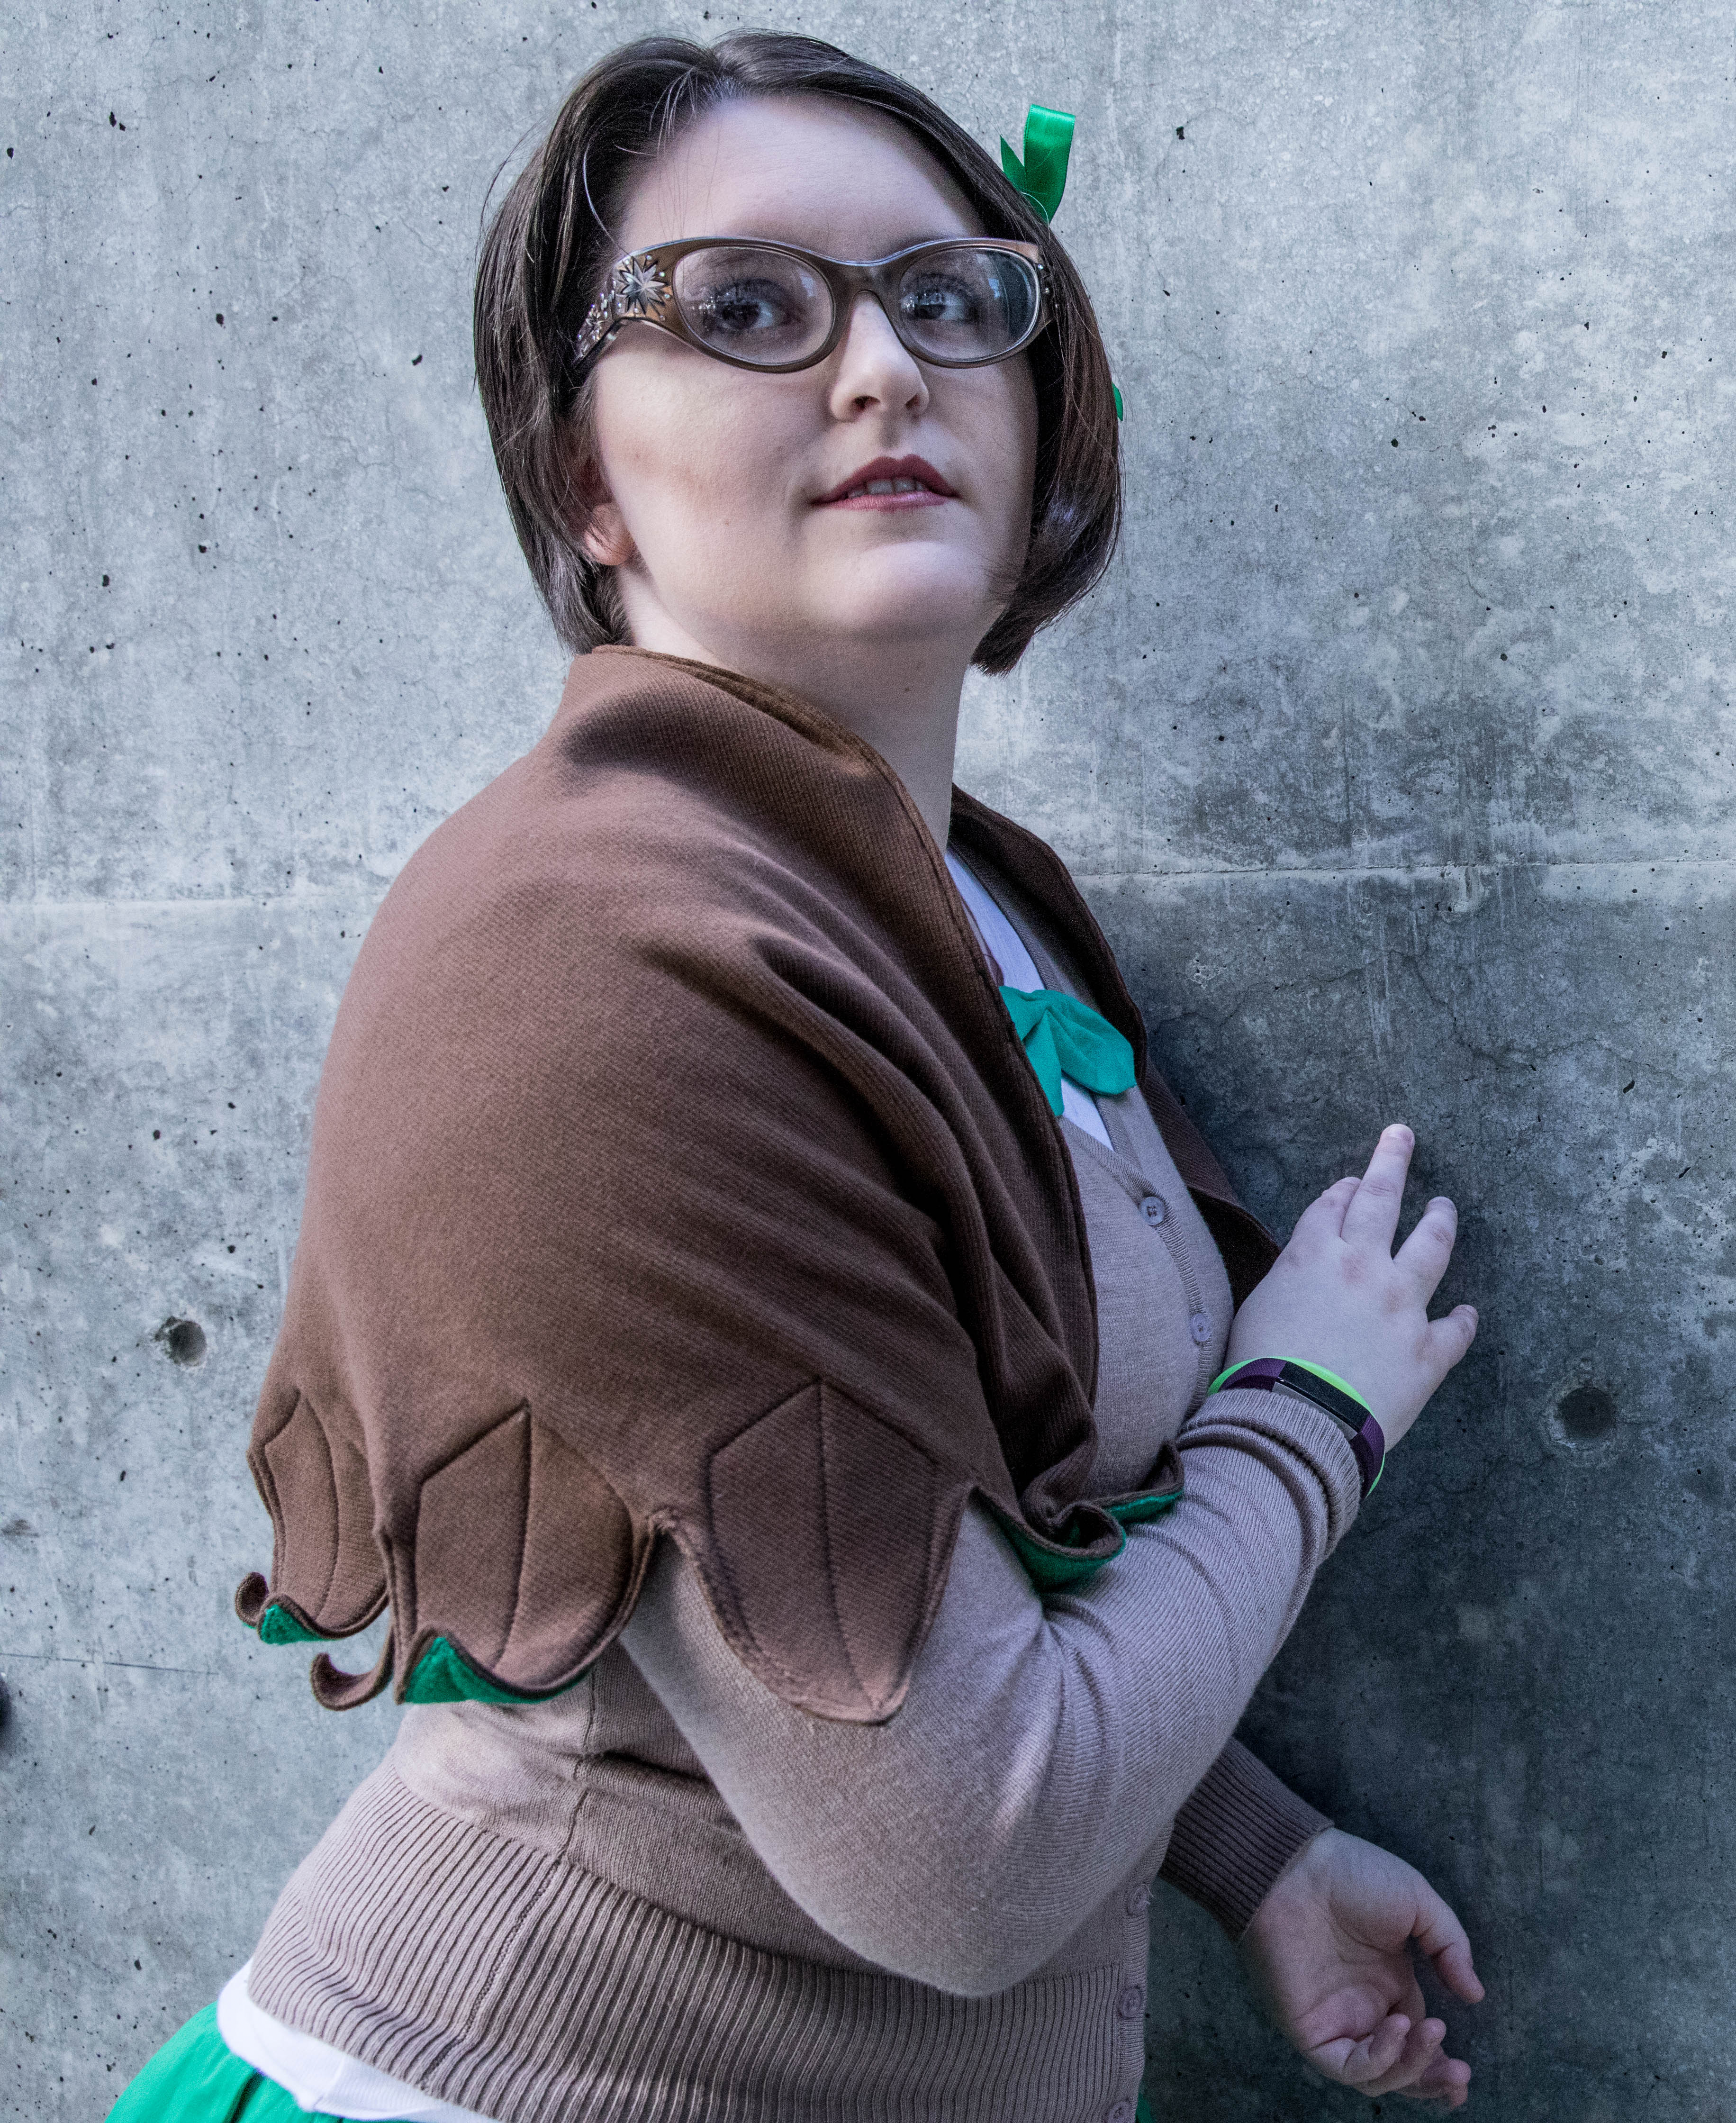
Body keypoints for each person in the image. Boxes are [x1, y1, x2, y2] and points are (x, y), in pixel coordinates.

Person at [106, 31, 1484, 2123]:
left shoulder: (950, 894)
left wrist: (1255, 1852)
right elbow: (971, 1852)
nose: (881, 370)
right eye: (746, 309)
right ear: (583, 473)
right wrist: (1308, 1409)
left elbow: (942, 1571)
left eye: (951, 298)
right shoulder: (597, 955)